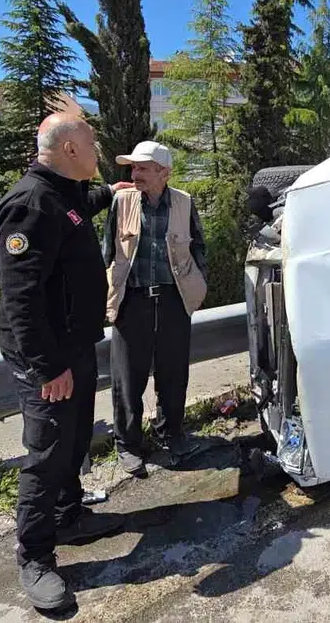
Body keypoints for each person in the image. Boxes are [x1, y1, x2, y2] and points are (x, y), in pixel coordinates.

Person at [0, 112, 133, 611]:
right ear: (69, 148)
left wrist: (109, 193)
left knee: (73, 439)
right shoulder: (30, 205)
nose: (97, 149)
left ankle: (70, 516)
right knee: (47, 453)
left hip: (73, 345)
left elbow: (76, 215)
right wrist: (47, 367)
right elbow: (20, 299)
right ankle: (34, 556)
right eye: (91, 141)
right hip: (48, 356)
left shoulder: (62, 197)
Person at [103, 141, 208, 476]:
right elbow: (107, 250)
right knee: (127, 378)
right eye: (133, 168)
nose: (135, 175)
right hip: (132, 301)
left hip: (173, 299)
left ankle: (172, 434)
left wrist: (198, 285)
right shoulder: (121, 202)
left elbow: (199, 247)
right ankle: (128, 445)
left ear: (164, 172)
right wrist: (108, 295)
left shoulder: (183, 202)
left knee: (174, 374)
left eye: (143, 169)